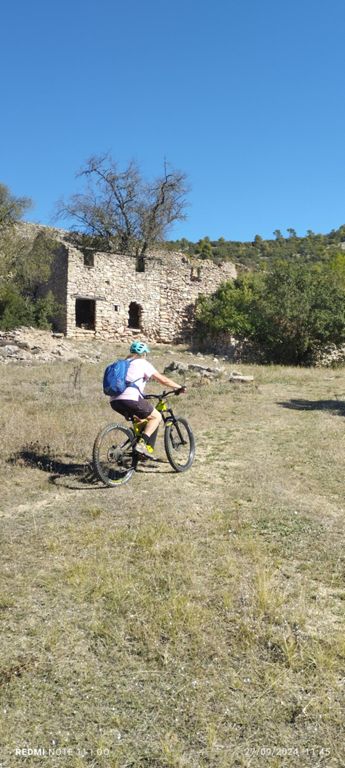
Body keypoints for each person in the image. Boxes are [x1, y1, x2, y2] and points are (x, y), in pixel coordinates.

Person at [109, 340, 185, 458]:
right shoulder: (142, 363)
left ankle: (135, 451)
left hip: (114, 401)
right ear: (144, 354)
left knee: (142, 419)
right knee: (156, 416)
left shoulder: (124, 363)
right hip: (130, 398)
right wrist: (179, 387)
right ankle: (141, 445)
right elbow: (162, 380)